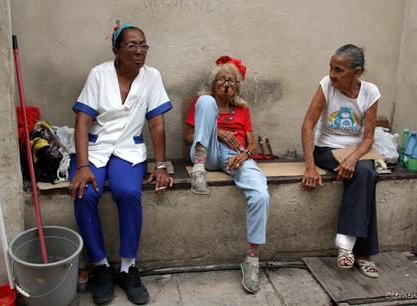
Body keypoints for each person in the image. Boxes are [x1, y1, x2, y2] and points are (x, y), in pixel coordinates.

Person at [69, 22, 173, 305]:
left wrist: (161, 165)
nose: (139, 51)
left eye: (143, 45)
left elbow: (157, 123)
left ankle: (128, 267)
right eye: (131, 45)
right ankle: (101, 266)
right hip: (95, 149)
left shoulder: (152, 77)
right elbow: (82, 120)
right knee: (84, 192)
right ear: (116, 49)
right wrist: (82, 166)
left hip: (129, 150)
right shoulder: (99, 74)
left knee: (128, 192)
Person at [184, 56, 270, 294]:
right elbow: (189, 137)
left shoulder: (243, 110)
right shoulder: (204, 103)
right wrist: (218, 133)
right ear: (213, 83)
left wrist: (243, 156)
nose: (225, 84)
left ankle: (252, 259)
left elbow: (252, 144)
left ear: (237, 88)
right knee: (205, 104)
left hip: (236, 156)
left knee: (261, 194)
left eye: (231, 81)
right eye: (221, 80)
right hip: (208, 152)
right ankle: (198, 171)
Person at [301, 44, 381, 278]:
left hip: (355, 150)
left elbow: (368, 137)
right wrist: (309, 167)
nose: (332, 74)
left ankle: (346, 246)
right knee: (366, 174)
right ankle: (363, 253)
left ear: (357, 73)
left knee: (366, 172)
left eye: (339, 70)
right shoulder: (327, 85)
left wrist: (353, 158)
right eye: (331, 68)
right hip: (326, 149)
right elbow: (308, 124)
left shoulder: (371, 92)